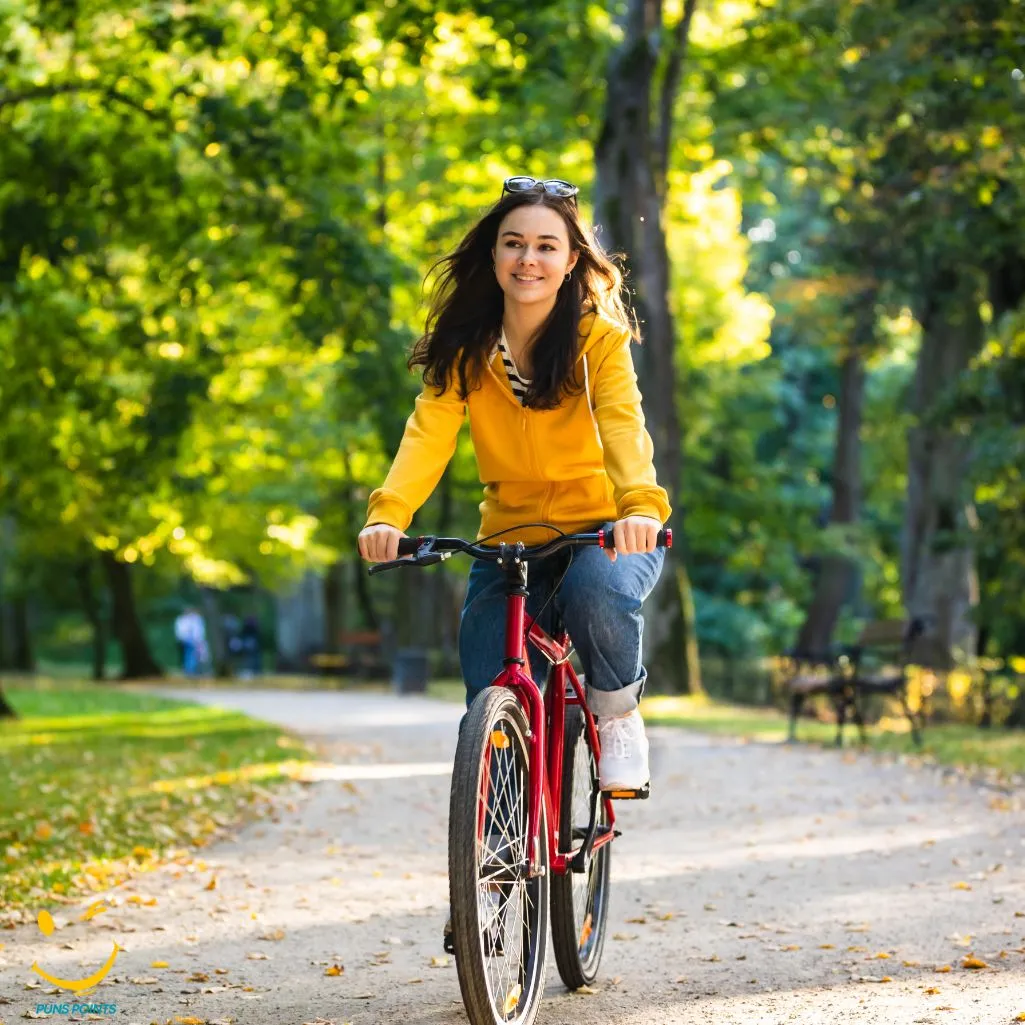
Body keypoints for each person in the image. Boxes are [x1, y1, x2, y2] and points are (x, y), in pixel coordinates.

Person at [358, 174, 671, 790]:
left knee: (593, 592)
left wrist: (637, 505)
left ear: (572, 258)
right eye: (513, 243)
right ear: (494, 254)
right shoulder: (464, 350)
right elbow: (428, 434)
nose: (529, 258)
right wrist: (388, 514)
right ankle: (501, 822)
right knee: (488, 670)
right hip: (511, 537)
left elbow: (622, 426)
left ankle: (615, 714)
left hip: (606, 532)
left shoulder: (599, 343)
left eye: (547, 245)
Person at [174, 606, 207, 677]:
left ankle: (191, 670)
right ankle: (190, 671)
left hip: (188, 640)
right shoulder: (189, 620)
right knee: (190, 655)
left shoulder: (183, 619)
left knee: (190, 655)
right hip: (189, 640)